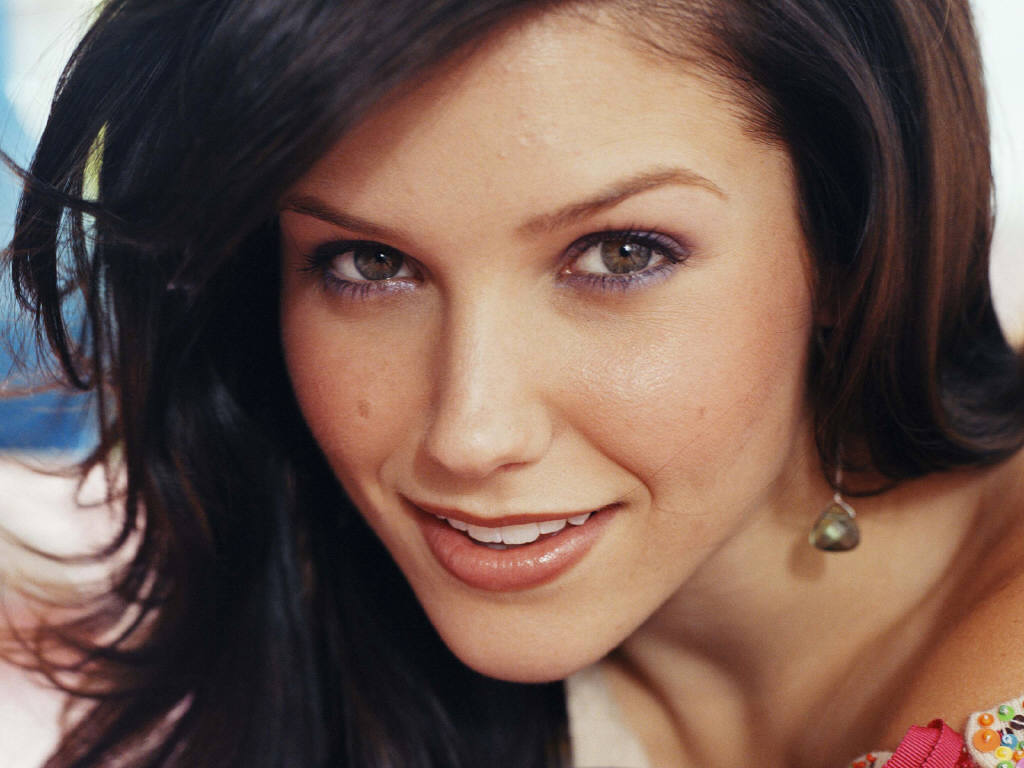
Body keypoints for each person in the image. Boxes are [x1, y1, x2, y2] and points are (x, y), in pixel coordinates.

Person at [2, 0, 1023, 766]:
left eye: (620, 254)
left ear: (849, 244)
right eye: (368, 264)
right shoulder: (307, 620)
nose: (470, 432)